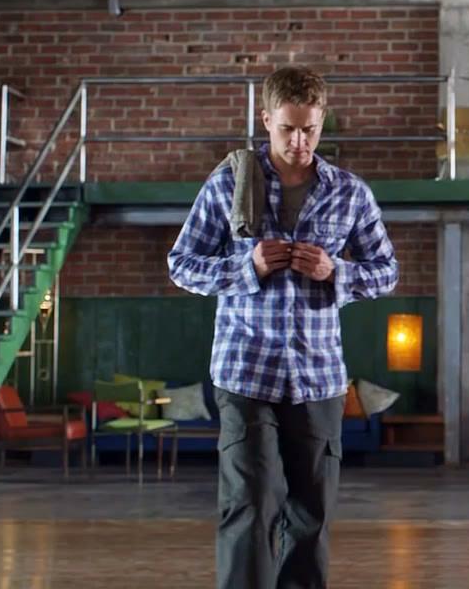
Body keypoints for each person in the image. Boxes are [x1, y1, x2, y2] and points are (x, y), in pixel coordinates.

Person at [168, 65, 399, 589]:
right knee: (250, 507)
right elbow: (181, 264)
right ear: (266, 119)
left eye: (310, 129)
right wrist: (245, 268)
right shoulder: (229, 183)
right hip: (245, 373)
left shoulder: (350, 193)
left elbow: (386, 272)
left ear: (322, 122)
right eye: (288, 129)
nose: (299, 142)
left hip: (318, 379)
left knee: (310, 516)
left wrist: (337, 272)